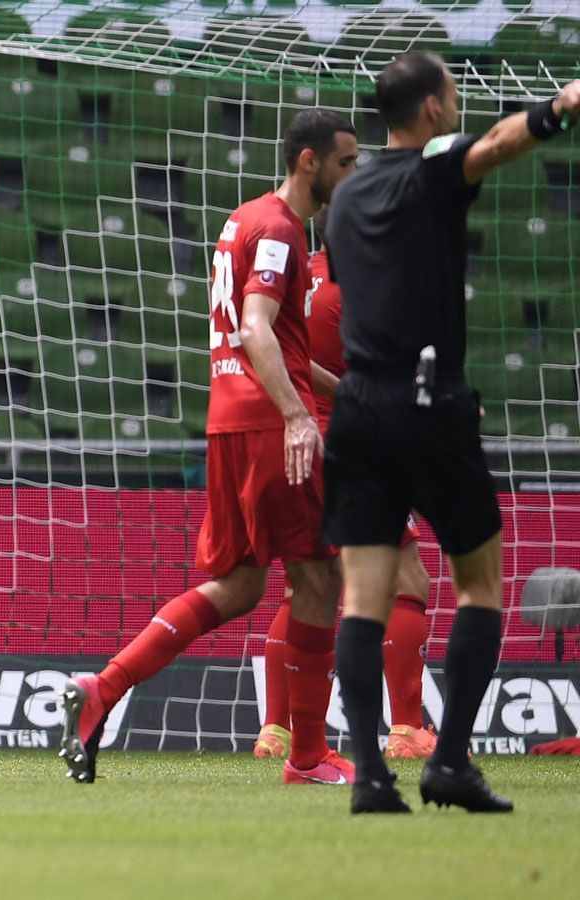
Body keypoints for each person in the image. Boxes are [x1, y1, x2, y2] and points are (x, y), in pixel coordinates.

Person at [59, 109, 359, 785]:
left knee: (241, 585)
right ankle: (308, 756)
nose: (353, 172)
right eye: (346, 161)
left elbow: (276, 340)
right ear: (309, 161)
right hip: (266, 422)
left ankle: (103, 688)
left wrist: (342, 395)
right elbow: (257, 331)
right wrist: (297, 417)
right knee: (318, 578)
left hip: (229, 418)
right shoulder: (282, 229)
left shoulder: (242, 219)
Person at [324, 52, 578, 814]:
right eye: (453, 93)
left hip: (357, 407)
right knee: (480, 584)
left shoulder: (344, 197)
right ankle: (451, 762)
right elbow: (498, 146)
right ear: (433, 110)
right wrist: (560, 107)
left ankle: (370, 775)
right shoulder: (427, 175)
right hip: (429, 401)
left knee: (361, 600)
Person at [254, 209, 438, 763]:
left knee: (305, 587)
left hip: (298, 441)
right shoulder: (367, 288)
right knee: (407, 579)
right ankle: (406, 727)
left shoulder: (294, 278)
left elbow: (274, 350)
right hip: (356, 445)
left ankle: (275, 730)